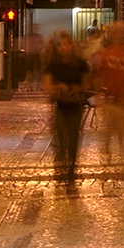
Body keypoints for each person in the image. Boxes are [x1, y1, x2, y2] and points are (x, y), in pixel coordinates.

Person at [91, 24, 124, 170]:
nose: (117, 34)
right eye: (115, 31)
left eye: (120, 31)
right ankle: (108, 155)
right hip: (110, 96)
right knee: (109, 128)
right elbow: (99, 74)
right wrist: (98, 93)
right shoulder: (105, 53)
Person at [42, 32, 89, 191]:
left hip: (76, 106)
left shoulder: (80, 64)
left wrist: (78, 88)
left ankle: (71, 172)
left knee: (73, 139)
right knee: (62, 140)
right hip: (60, 107)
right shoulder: (53, 65)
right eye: (61, 45)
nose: (66, 48)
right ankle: (62, 164)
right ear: (57, 48)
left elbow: (88, 84)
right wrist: (59, 87)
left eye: (68, 44)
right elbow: (47, 86)